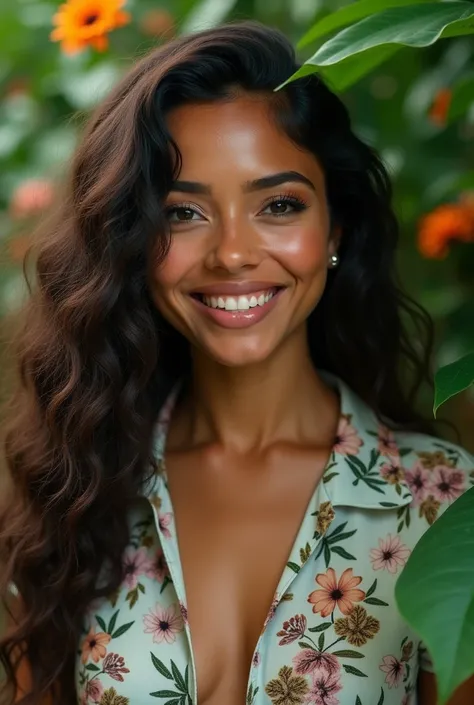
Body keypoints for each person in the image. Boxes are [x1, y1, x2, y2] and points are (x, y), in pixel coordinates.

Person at [0, 20, 472, 705]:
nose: (231, 253)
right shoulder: (76, 492)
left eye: (278, 205)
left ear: (333, 229)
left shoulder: (441, 502)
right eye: (183, 213)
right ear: (132, 241)